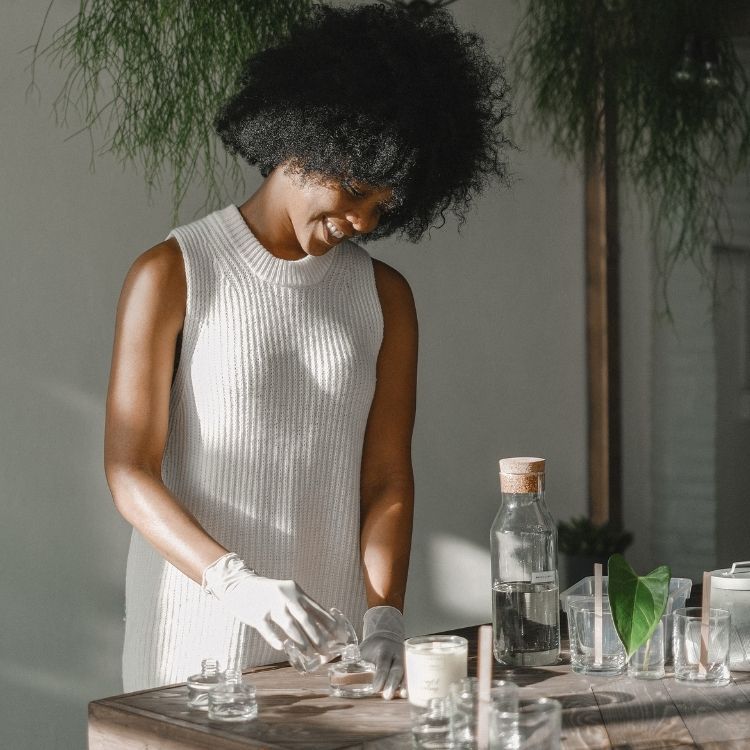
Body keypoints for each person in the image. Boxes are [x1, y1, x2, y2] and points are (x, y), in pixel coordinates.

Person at [104, 2, 511, 698]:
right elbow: (129, 474)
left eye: (382, 209)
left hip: (335, 656)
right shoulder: (173, 273)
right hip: (194, 648)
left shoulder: (385, 297)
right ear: (303, 141)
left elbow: (385, 480)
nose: (361, 221)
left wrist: (385, 614)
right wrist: (234, 584)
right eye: (354, 192)